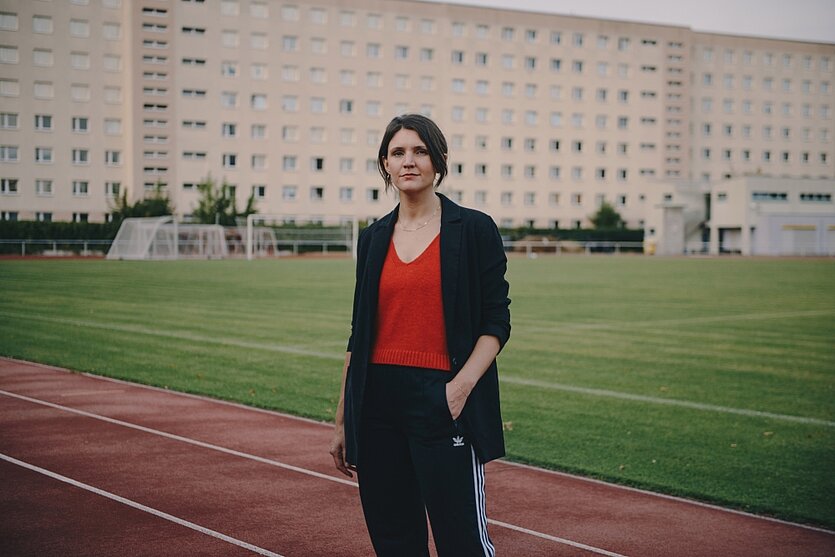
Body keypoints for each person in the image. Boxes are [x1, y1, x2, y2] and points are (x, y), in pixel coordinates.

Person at [329, 113, 511, 557]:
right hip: (376, 402)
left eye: (420, 151)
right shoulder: (372, 238)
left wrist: (459, 390)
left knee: (462, 543)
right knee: (394, 541)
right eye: (398, 152)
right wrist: (343, 419)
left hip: (441, 396)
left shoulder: (474, 229)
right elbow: (359, 333)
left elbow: (496, 322)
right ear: (385, 164)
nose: (408, 161)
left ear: (439, 160)